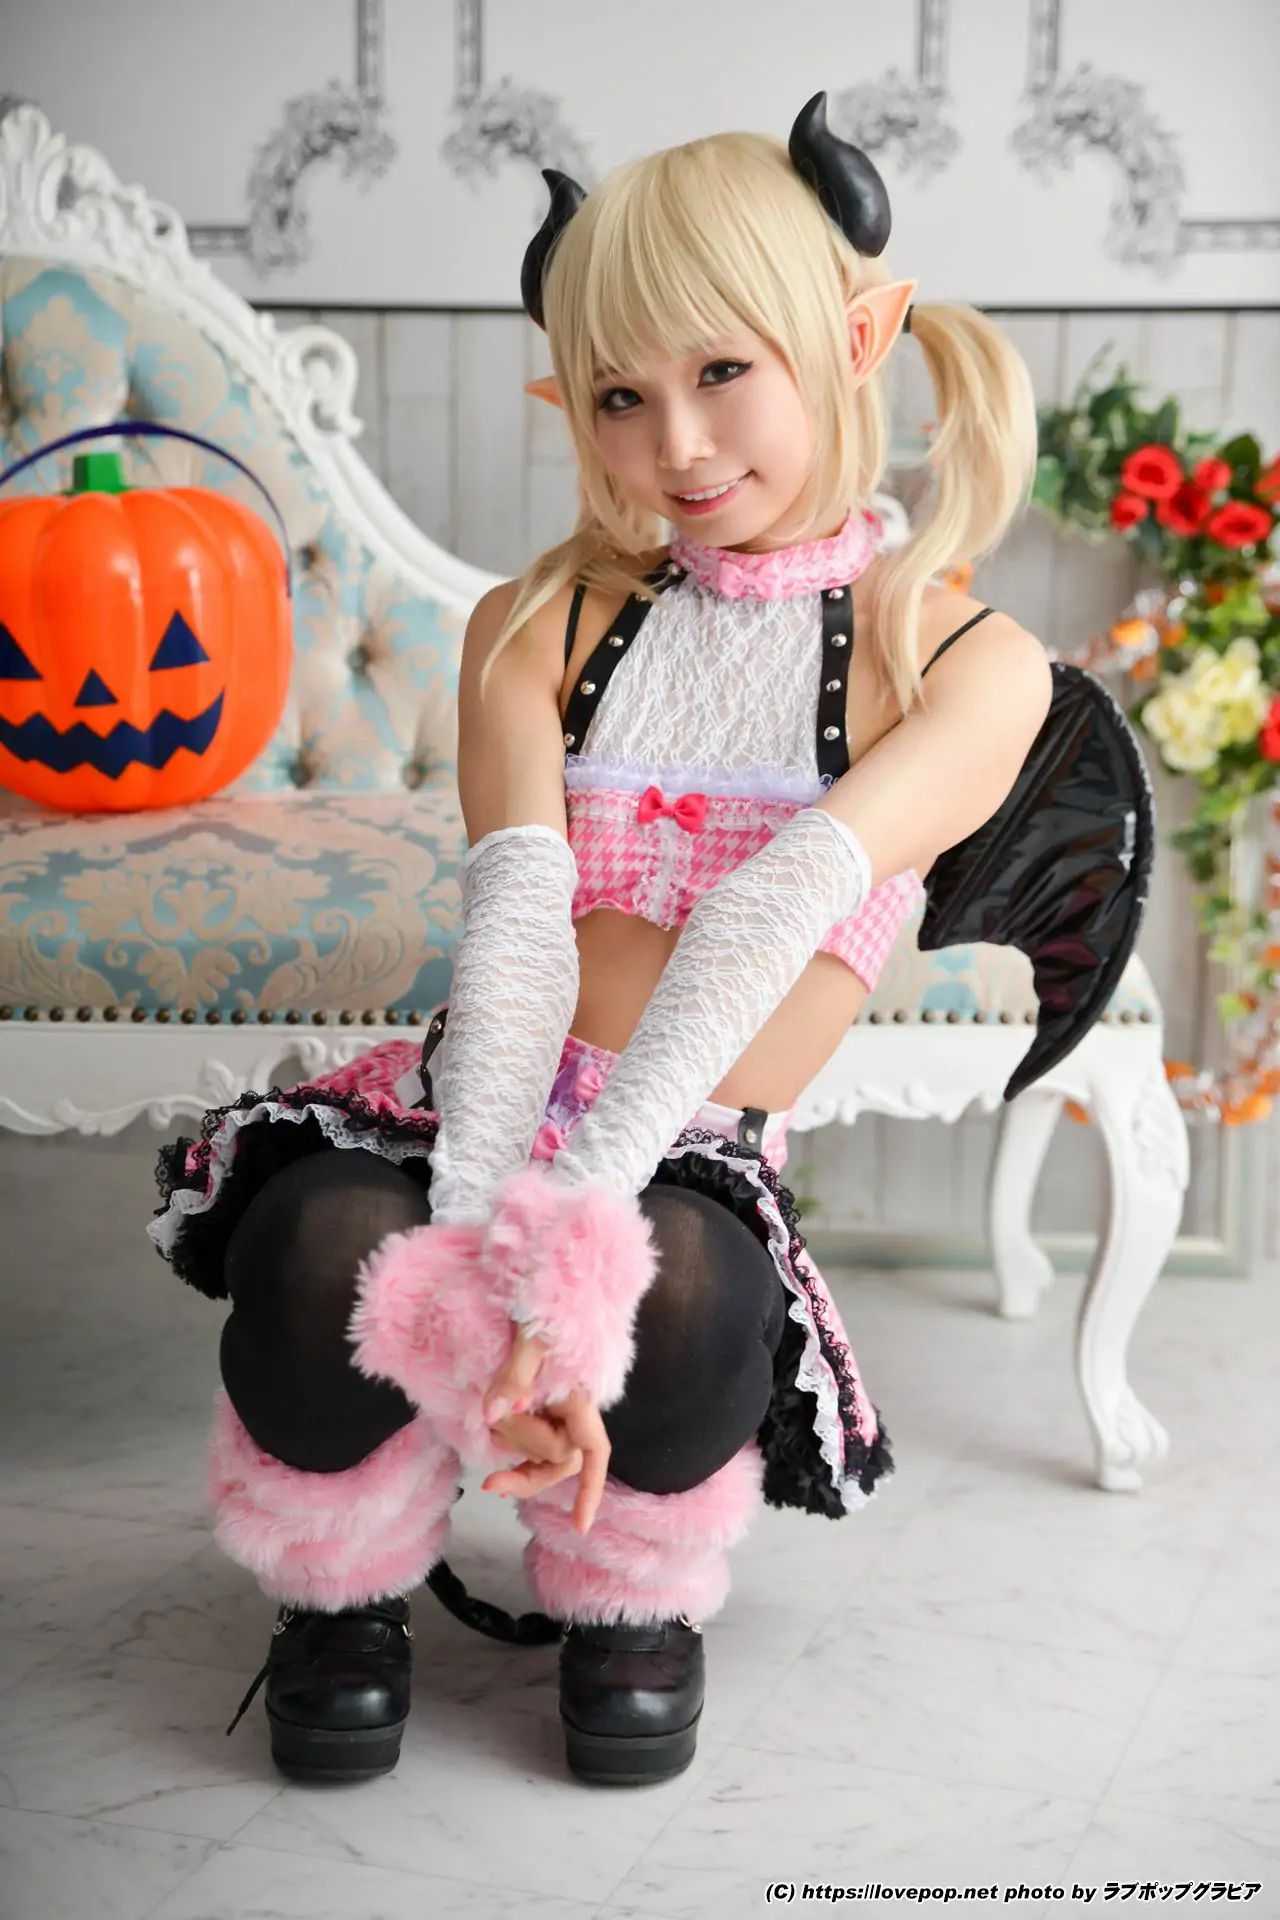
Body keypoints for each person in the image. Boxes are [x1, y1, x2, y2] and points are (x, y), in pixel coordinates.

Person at [149, 92, 1058, 1791]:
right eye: (622, 398)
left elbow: (767, 965)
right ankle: (340, 1589)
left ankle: (626, 1599)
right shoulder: (538, 624)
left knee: (683, 1283)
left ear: (856, 338)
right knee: (324, 1239)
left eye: (722, 373)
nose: (679, 447)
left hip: (682, 1144)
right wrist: (480, 1244)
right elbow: (518, 945)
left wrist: (561, 1274)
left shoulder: (960, 662)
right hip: (478, 1106)